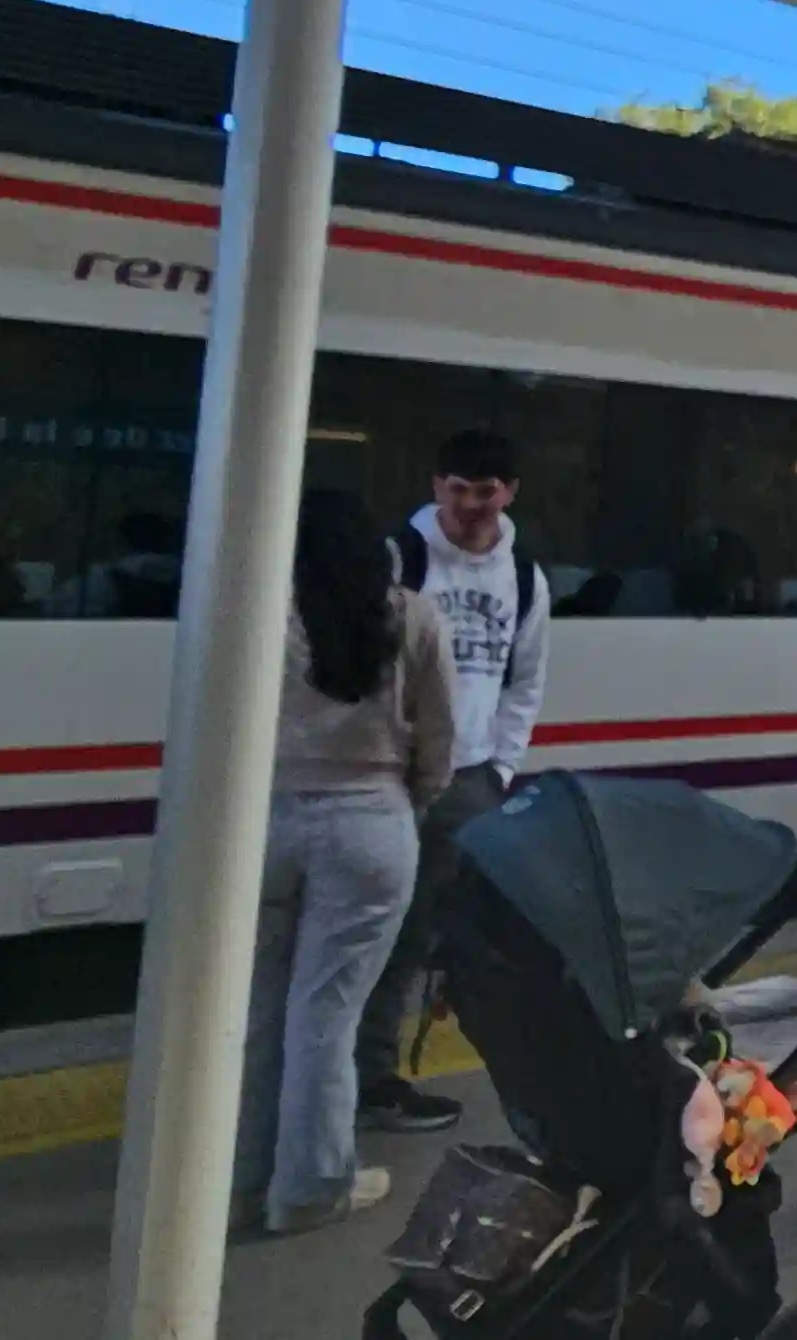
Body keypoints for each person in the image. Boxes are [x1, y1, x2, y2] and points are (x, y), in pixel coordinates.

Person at [238, 490, 459, 1233]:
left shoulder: (265, 613)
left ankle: (240, 1172)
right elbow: (441, 742)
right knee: (327, 1013)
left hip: (263, 821)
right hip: (370, 820)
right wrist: (411, 803)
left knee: (261, 1006)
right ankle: (308, 1186)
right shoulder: (414, 616)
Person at [355, 430, 556, 1133]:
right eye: (460, 488)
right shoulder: (397, 559)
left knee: (423, 933)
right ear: (437, 486)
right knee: (373, 925)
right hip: (392, 775)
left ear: (510, 493)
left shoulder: (525, 578)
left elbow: (524, 681)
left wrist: (499, 768)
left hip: (468, 777)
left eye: (487, 489)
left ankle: (371, 1074)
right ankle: (358, 1074)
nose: (473, 503)